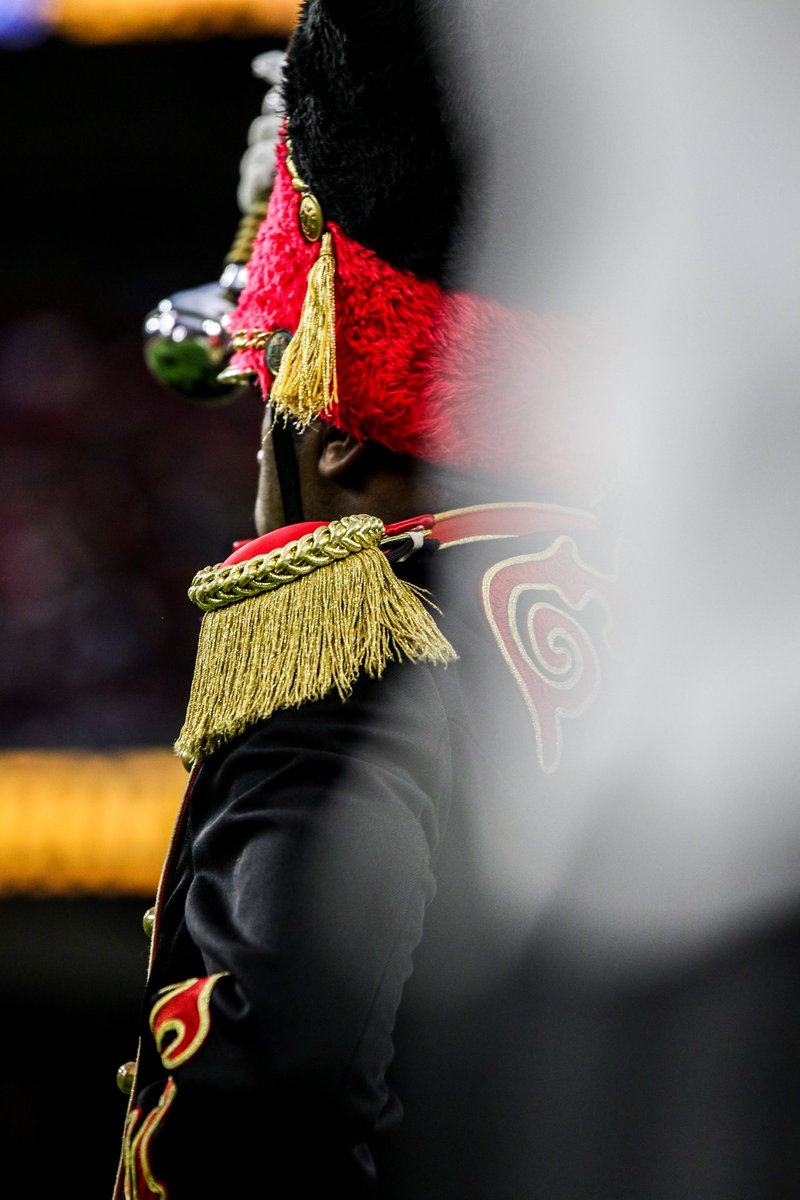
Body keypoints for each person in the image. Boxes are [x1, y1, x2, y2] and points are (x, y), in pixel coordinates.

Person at [112, 3, 615, 1197]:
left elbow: (265, 1083)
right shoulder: (686, 647)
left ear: (336, 431)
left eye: (270, 382)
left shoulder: (346, 652)